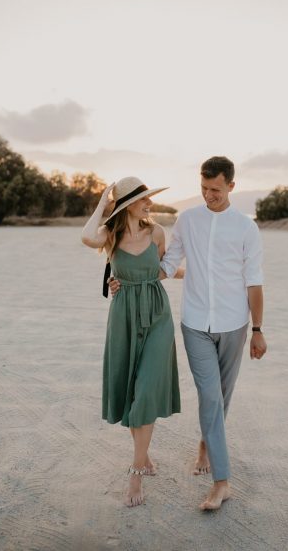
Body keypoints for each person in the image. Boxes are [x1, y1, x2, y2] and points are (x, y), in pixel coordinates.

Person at [111, 156, 267, 511]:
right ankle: (222, 483)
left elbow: (254, 282)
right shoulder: (188, 220)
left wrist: (258, 329)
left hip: (235, 324)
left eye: (215, 189)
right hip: (195, 323)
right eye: (203, 188)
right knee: (210, 396)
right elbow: (166, 265)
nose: (208, 195)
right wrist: (128, 278)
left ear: (231, 186)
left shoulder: (246, 228)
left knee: (222, 396)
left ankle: (206, 444)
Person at [81, 176, 182, 508]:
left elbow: (164, 269)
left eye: (149, 199)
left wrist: (199, 272)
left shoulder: (157, 233)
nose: (149, 204)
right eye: (143, 200)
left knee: (147, 390)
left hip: (157, 314)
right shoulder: (111, 236)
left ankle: (135, 472)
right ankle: (145, 454)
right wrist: (103, 202)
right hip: (123, 315)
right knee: (130, 390)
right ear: (126, 206)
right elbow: (85, 236)